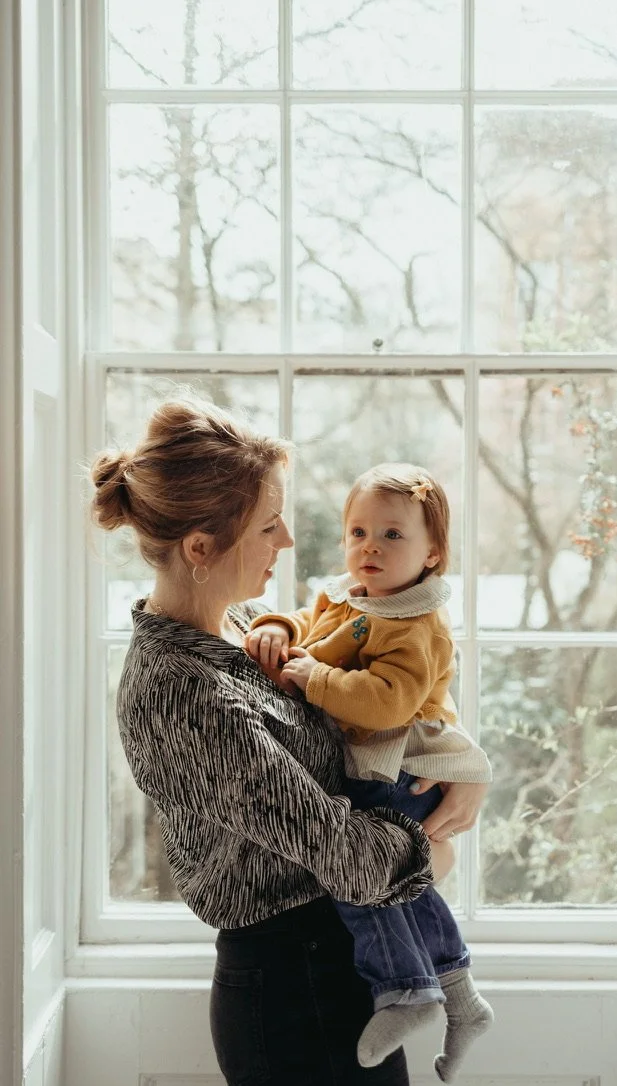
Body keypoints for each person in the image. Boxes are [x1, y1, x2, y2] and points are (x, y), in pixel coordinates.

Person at [89, 398, 488, 1086]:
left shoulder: (245, 625)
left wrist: (463, 765)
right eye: (269, 525)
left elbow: (374, 702)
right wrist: (435, 845)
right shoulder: (181, 692)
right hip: (294, 995)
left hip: (342, 973)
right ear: (199, 549)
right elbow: (349, 859)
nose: (290, 542)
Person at [246, 462, 494, 1083]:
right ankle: (461, 998)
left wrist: (315, 678)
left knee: (365, 880)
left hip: (402, 768)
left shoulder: (415, 624)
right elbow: (315, 624)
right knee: (409, 891)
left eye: (391, 535)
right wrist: (279, 626)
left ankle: (406, 989)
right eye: (358, 532)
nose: (369, 548)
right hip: (371, 767)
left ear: (433, 552)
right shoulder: (350, 595)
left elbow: (389, 701)